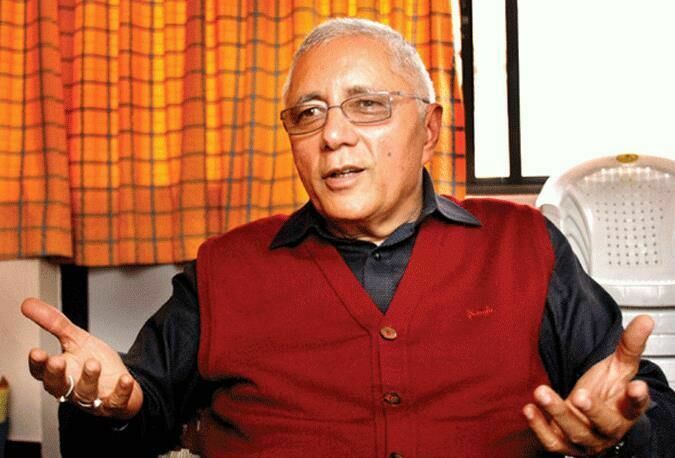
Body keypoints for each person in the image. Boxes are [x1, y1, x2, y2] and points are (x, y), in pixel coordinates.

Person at [22, 18, 675, 457]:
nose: (333, 135)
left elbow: (646, 409)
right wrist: (105, 407)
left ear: (429, 129)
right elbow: (134, 409)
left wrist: (621, 432)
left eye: (367, 105)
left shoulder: (523, 243)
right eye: (308, 114)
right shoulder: (227, 267)